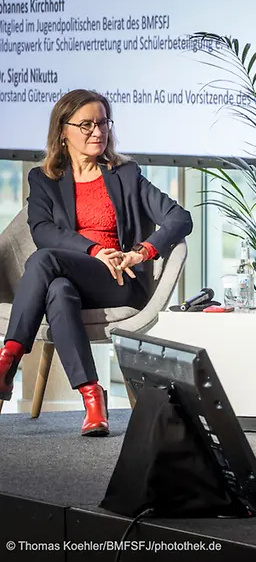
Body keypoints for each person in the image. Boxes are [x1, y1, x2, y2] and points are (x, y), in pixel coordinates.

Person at [0, 89, 192, 436]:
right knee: (58, 289)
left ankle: (8, 360)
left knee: (44, 262)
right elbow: (43, 231)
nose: (98, 132)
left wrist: (141, 251)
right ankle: (93, 397)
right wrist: (92, 251)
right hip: (70, 277)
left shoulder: (126, 174)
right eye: (86, 124)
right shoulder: (44, 180)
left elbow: (179, 218)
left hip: (118, 281)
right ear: (63, 131)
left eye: (103, 123)